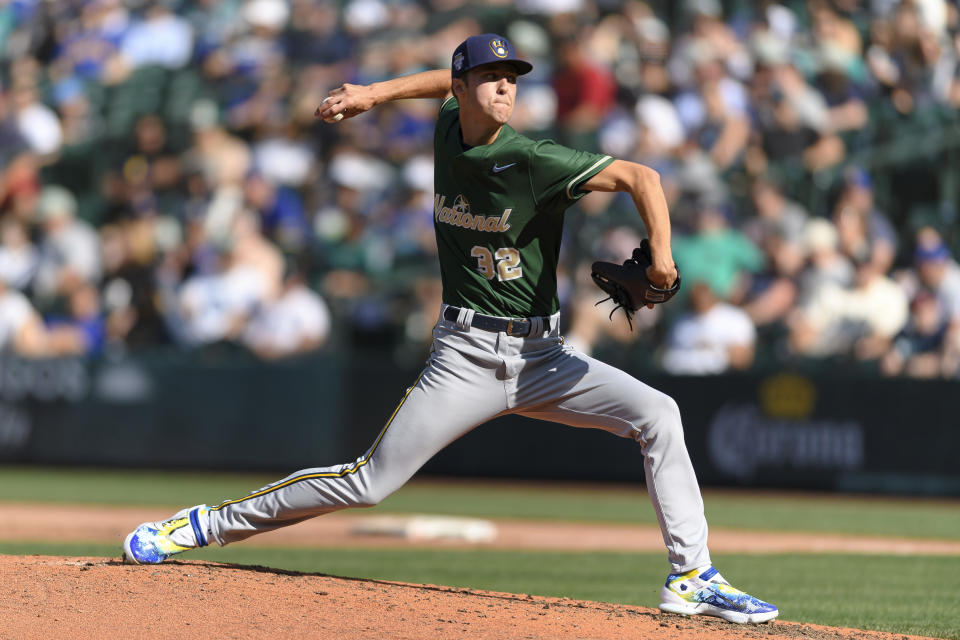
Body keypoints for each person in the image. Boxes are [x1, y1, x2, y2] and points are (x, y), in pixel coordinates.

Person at [122, 34, 778, 625]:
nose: (504, 87)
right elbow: (441, 82)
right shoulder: (449, 129)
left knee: (659, 414)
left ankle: (691, 578)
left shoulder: (533, 158)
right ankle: (202, 525)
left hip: (543, 357)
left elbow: (644, 176)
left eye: (512, 77)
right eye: (490, 76)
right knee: (368, 481)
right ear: (464, 91)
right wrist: (373, 94)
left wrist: (662, 258)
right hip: (464, 356)